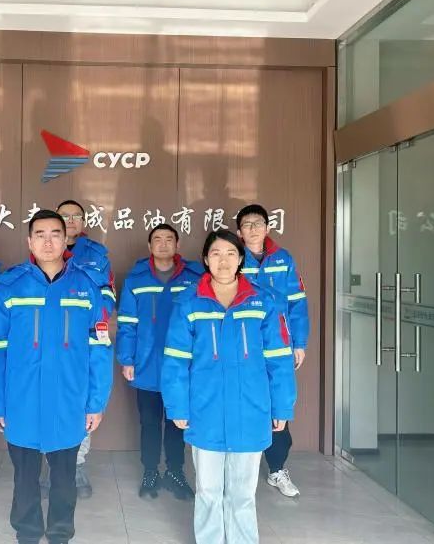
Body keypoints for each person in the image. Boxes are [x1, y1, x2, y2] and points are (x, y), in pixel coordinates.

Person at [0, 210, 113, 544]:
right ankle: (27, 533)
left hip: (69, 400)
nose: (48, 241)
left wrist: (96, 402)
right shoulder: (11, 286)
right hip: (21, 400)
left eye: (55, 234)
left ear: (66, 239)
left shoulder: (85, 286)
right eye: (40, 234)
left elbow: (100, 348)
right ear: (29, 241)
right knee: (24, 477)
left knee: (64, 478)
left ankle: (59, 534)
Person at [161, 229, 296, 544]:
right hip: (204, 408)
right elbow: (175, 361)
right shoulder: (189, 302)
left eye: (231, 254)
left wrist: (282, 405)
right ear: (206, 259)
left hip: (251, 408)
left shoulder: (263, 301)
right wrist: (177, 406)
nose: (223, 261)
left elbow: (279, 359)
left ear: (241, 259)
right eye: (216, 254)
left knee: (243, 494)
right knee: (208, 491)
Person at [116, 224, 202, 500]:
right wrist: (126, 359)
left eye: (168, 239)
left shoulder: (194, 277)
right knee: (150, 422)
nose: (163, 244)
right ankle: (150, 471)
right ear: (150, 246)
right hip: (147, 363)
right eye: (157, 239)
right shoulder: (136, 278)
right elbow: (127, 323)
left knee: (179, 421)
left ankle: (176, 471)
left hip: (183, 365)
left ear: (177, 244)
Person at [39, 199, 115, 499]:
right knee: (49, 399)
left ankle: (77, 464)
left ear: (84, 221)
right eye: (65, 216)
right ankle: (51, 465)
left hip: (83, 339)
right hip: (49, 340)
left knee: (80, 401)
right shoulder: (44, 250)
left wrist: (94, 320)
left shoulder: (97, 255)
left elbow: (108, 295)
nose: (70, 221)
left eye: (76, 216)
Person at [236, 204, 309, 497]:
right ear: (239, 232)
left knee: (278, 403)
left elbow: (297, 303)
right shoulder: (233, 257)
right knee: (245, 400)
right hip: (244, 343)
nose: (253, 229)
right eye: (247, 224)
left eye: (258, 223)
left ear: (267, 227)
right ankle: (241, 469)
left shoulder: (283, 259)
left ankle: (277, 469)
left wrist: (299, 343)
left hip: (278, 342)